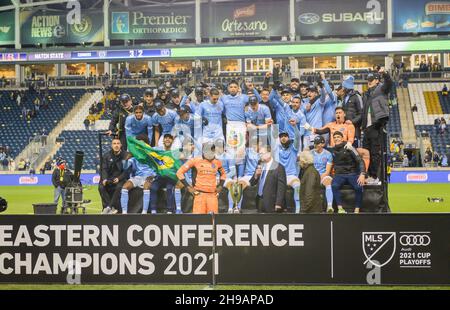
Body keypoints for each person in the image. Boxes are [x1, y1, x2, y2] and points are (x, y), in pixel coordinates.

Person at [176, 142, 226, 214]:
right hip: (199, 195)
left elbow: (223, 174)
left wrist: (221, 185)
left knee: (213, 220)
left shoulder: (217, 162)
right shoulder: (195, 160)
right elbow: (179, 172)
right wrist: (188, 187)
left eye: (212, 150)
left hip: (212, 195)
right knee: (199, 220)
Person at [361, 68, 392, 185]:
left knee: (374, 153)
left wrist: (385, 74)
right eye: (368, 80)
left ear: (377, 81)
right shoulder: (366, 94)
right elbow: (364, 112)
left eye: (371, 79)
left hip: (376, 125)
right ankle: (367, 175)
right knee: (365, 152)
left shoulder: (381, 88)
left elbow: (389, 83)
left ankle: (375, 176)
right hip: (367, 127)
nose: (369, 81)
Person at [329, 131, 366, 214]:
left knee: (358, 187)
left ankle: (357, 209)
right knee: (334, 185)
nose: (336, 139)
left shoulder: (350, 147)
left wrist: (362, 174)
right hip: (339, 174)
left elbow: (360, 161)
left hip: (352, 173)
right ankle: (340, 208)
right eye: (334, 137)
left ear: (342, 138)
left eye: (338, 137)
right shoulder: (332, 150)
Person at [120, 135, 156, 214]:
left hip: (149, 177)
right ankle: (124, 212)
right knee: (125, 187)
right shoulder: (135, 155)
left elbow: (157, 168)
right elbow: (125, 167)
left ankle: (144, 212)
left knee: (146, 187)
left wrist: (153, 176)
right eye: (139, 144)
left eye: (142, 144)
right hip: (138, 177)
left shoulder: (151, 154)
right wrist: (126, 159)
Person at [250, 145, 287, 213]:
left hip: (271, 203)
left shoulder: (279, 167)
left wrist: (278, 203)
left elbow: (281, 187)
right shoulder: (260, 164)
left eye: (261, 153)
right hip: (259, 201)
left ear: (269, 154)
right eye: (259, 154)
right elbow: (252, 183)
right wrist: (256, 175)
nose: (259, 155)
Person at [149, 134, 179, 214]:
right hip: (160, 177)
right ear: (163, 141)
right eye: (166, 138)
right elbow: (153, 163)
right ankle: (153, 210)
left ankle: (169, 210)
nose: (167, 140)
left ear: (172, 141)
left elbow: (178, 167)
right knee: (153, 187)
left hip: (170, 178)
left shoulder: (175, 153)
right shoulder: (158, 152)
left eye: (169, 138)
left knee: (169, 188)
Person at [99, 138, 129, 214]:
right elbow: (104, 169)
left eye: (118, 143)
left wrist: (119, 178)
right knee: (101, 187)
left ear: (121, 145)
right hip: (109, 178)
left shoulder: (126, 155)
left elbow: (127, 171)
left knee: (119, 187)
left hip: (120, 178)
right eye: (114, 144)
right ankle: (110, 208)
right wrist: (105, 179)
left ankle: (108, 207)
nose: (116, 145)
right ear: (111, 145)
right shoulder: (106, 156)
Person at [311, 136, 334, 213]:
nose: (316, 145)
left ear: (323, 144)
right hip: (313, 175)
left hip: (323, 175)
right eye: (315, 143)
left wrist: (320, 178)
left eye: (318, 143)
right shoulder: (310, 153)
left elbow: (327, 171)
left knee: (328, 181)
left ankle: (329, 206)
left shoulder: (328, 154)